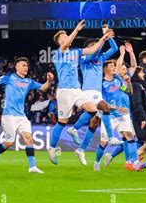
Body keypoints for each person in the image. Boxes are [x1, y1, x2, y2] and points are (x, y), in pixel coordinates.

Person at [47, 20, 114, 165]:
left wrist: (103, 38)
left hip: (76, 90)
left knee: (92, 109)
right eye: (63, 37)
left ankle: (75, 129)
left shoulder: (76, 52)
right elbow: (65, 45)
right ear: (59, 42)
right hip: (64, 91)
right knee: (62, 122)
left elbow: (92, 50)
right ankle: (52, 147)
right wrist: (76, 30)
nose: (65, 39)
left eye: (66, 36)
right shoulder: (58, 53)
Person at [0, 57, 54, 173]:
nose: (26, 67)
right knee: (9, 142)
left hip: (21, 116)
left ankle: (32, 167)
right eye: (23, 65)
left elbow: (44, 88)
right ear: (17, 67)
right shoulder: (9, 77)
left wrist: (49, 81)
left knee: (28, 138)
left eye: (27, 65)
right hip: (9, 115)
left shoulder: (29, 82)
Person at [69, 27, 120, 166]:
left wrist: (109, 36)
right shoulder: (84, 57)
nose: (95, 47)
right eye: (92, 46)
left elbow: (114, 49)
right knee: (105, 107)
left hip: (97, 92)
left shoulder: (101, 58)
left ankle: (80, 148)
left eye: (95, 45)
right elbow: (93, 53)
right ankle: (111, 137)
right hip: (88, 91)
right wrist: (102, 39)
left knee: (95, 121)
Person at [94, 60, 146, 172]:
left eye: (114, 66)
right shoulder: (101, 84)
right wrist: (117, 108)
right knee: (104, 142)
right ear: (105, 69)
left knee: (130, 136)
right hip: (109, 116)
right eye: (111, 66)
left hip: (122, 115)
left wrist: (128, 82)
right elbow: (101, 103)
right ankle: (97, 162)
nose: (114, 67)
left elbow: (129, 91)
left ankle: (135, 162)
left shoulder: (118, 80)